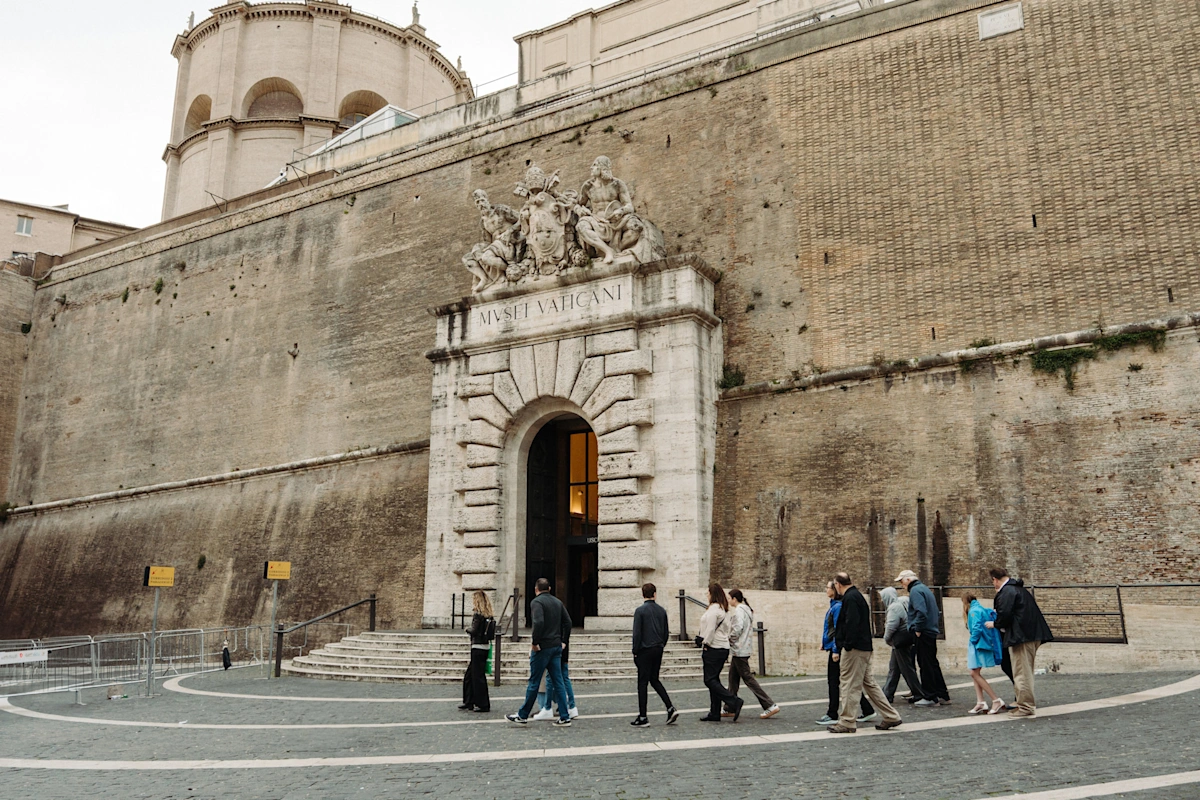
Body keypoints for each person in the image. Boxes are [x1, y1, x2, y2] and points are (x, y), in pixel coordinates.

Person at [827, 573, 902, 734]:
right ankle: (891, 716)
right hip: (862, 647)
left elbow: (851, 624)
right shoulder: (856, 596)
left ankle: (847, 721)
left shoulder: (850, 598)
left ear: (838, 584)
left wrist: (846, 645)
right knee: (869, 684)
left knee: (849, 684)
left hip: (855, 649)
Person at [986, 568, 1054, 718]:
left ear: (995, 580)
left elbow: (1004, 615)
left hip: (1021, 637)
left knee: (1022, 673)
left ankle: (1026, 707)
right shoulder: (1018, 589)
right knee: (1023, 671)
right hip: (1028, 635)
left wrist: (995, 623)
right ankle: (1023, 703)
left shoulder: (1008, 592)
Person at [506, 578, 573, 726]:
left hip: (543, 647)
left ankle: (523, 715)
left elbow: (538, 622)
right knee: (558, 681)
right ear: (549, 588)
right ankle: (564, 715)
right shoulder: (558, 602)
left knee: (534, 681)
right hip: (556, 646)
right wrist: (564, 641)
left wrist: (535, 643)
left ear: (536, 589)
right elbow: (568, 623)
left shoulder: (536, 602)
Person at [817, 581, 876, 726]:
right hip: (834, 646)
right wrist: (825, 643)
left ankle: (833, 713)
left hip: (837, 648)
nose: (826, 590)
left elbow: (839, 629)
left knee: (836, 681)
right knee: (848, 681)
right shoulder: (835, 605)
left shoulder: (838, 606)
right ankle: (867, 709)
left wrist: (836, 649)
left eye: (828, 587)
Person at [721, 590, 780, 719]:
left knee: (748, 679)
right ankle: (729, 707)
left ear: (735, 599)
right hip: (743, 648)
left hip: (739, 648)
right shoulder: (747, 609)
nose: (728, 601)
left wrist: (728, 638)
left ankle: (769, 705)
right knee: (733, 678)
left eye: (729, 598)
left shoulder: (739, 611)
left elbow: (737, 628)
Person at [896, 569, 951, 706]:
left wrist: (918, 629)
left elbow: (921, 612)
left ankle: (930, 696)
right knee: (932, 663)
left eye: (901, 581)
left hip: (924, 632)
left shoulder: (915, 591)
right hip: (930, 631)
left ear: (908, 579)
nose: (901, 585)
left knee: (925, 664)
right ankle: (942, 694)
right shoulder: (924, 589)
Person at [630, 583, 679, 727]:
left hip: (645, 650)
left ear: (642, 594)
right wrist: (661, 644)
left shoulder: (640, 611)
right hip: (658, 648)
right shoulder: (662, 610)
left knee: (642, 683)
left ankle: (643, 716)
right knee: (654, 680)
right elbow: (666, 632)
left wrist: (635, 651)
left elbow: (637, 634)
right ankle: (670, 707)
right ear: (655, 594)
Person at [696, 583, 744, 722]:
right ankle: (714, 712)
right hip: (723, 647)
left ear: (713, 594)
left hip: (713, 647)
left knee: (709, 680)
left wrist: (704, 642)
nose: (706, 595)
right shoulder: (725, 610)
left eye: (708, 593)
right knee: (714, 679)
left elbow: (710, 629)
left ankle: (734, 701)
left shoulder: (713, 610)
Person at [962, 593, 1005, 715]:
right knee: (975, 672)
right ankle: (980, 702)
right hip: (982, 643)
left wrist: (972, 641)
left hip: (977, 644)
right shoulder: (980, 608)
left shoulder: (973, 611)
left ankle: (995, 699)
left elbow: (976, 628)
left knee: (974, 673)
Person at [880, 587, 922, 704]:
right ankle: (887, 693)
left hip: (899, 642)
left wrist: (886, 640)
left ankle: (918, 693)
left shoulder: (893, 608)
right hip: (907, 639)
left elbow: (891, 627)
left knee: (906, 669)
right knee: (894, 668)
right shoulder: (903, 601)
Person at [459, 590, 494, 713]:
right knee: (469, 675)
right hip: (484, 647)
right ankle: (469, 701)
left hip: (477, 647)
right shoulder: (489, 615)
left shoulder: (478, 615)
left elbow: (474, 630)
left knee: (478, 677)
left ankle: (483, 704)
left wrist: (466, 629)